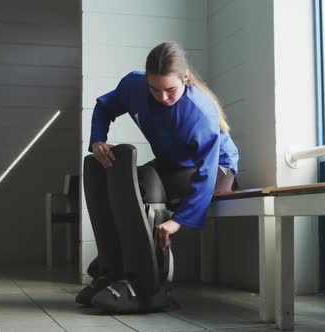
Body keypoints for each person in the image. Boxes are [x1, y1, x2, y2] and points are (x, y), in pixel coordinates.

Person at [77, 41, 239, 312]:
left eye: (170, 90)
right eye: (155, 89)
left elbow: (206, 173)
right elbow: (104, 106)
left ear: (185, 79)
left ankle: (149, 283)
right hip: (174, 164)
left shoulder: (199, 114)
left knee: (146, 187)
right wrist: (97, 140)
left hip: (218, 170)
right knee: (124, 178)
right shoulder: (133, 86)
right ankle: (113, 266)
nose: (162, 97)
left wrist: (178, 221)